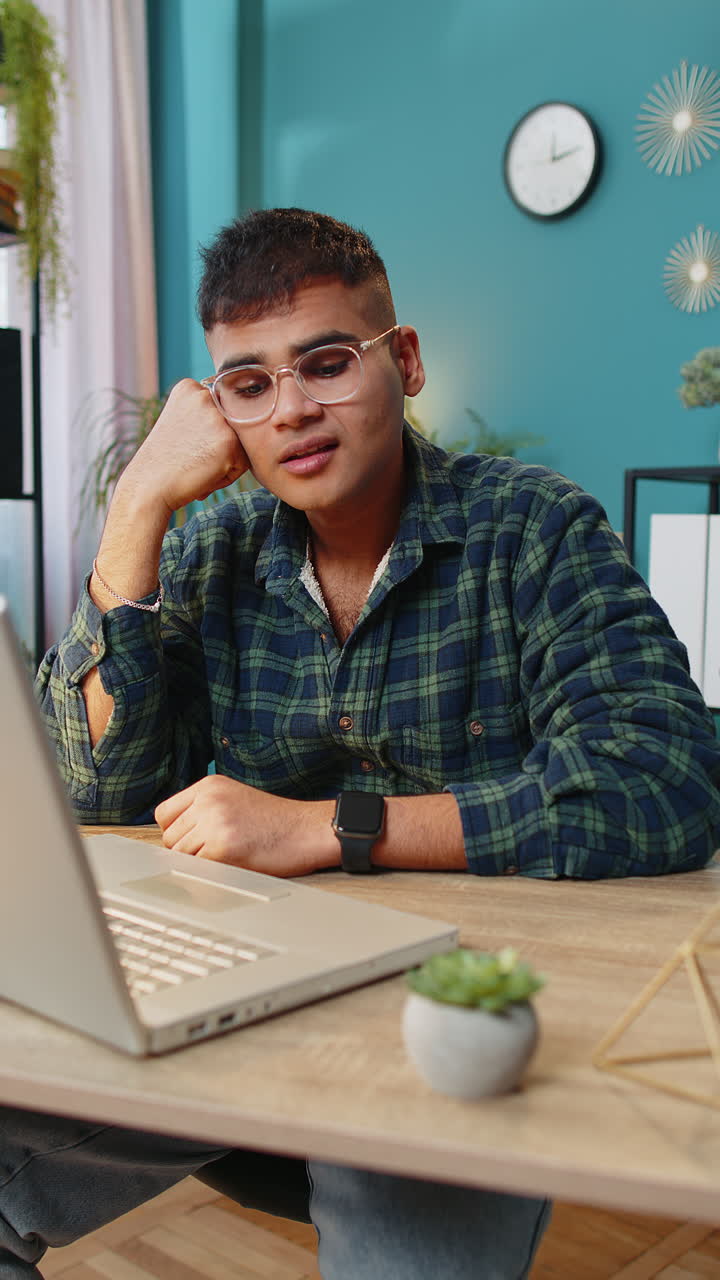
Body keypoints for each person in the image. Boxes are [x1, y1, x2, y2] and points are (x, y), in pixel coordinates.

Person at [1, 207, 718, 1279]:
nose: (291, 408)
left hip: (445, 1017)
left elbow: (663, 781)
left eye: (326, 362)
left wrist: (333, 828)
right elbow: (105, 790)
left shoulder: (536, 529)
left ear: (405, 360)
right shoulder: (214, 549)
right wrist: (140, 502)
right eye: (249, 383)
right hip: (240, 991)